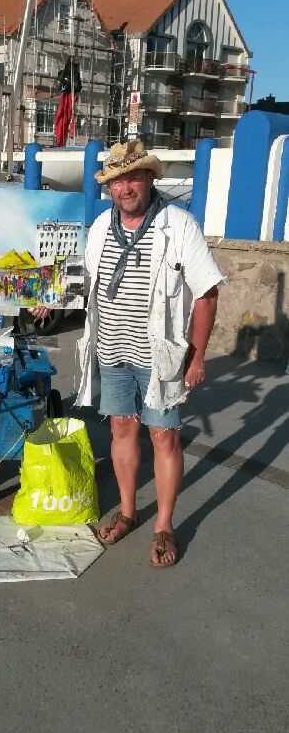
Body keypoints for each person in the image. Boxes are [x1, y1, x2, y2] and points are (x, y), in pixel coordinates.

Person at [32, 140, 224, 567]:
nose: (125, 187)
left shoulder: (178, 225)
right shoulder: (101, 226)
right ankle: (129, 511)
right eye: (117, 180)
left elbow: (207, 292)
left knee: (164, 436)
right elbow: (82, 277)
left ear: (150, 179)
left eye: (133, 177)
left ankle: (165, 525)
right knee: (121, 428)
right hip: (113, 350)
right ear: (110, 187)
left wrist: (197, 356)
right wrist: (50, 297)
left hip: (160, 356)